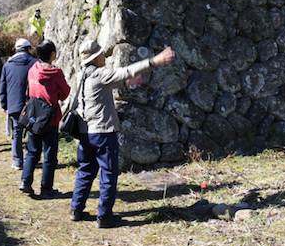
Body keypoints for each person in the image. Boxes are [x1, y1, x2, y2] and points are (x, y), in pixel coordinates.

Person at [69, 40, 175, 228]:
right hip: (103, 132)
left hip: (85, 132)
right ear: (96, 58)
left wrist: (127, 82)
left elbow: (109, 83)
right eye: (102, 54)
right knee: (108, 174)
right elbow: (124, 72)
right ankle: (105, 217)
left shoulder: (83, 75)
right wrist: (155, 61)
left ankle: (76, 210)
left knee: (86, 170)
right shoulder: (101, 74)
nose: (104, 56)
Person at [19, 39, 70, 197]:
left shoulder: (33, 68)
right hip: (50, 118)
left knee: (32, 151)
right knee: (49, 155)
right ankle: (46, 189)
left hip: (33, 116)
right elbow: (65, 93)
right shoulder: (56, 73)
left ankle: (25, 182)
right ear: (53, 54)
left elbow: (28, 90)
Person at [0, 38, 38, 170]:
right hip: (32, 104)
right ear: (28, 49)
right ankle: (29, 158)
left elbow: (2, 86)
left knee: (17, 131)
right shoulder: (35, 63)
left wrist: (4, 105)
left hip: (14, 103)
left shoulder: (8, 65)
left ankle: (17, 161)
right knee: (32, 130)